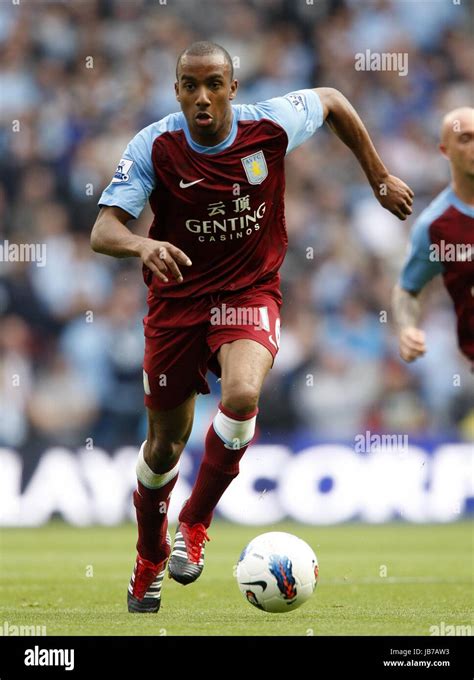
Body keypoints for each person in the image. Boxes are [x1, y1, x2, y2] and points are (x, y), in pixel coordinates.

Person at [91, 41, 413, 613]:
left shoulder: (269, 125)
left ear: (233, 89)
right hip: (177, 305)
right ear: (177, 92)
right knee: (164, 447)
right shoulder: (155, 145)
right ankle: (148, 558)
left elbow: (335, 100)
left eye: (214, 84)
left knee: (242, 395)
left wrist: (380, 176)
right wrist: (142, 243)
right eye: (190, 86)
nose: (202, 97)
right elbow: (104, 230)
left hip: (247, 292)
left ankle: (194, 523)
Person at [393, 107, 474, 365]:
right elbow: (408, 289)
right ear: (445, 151)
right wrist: (406, 328)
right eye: (465, 139)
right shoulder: (436, 226)